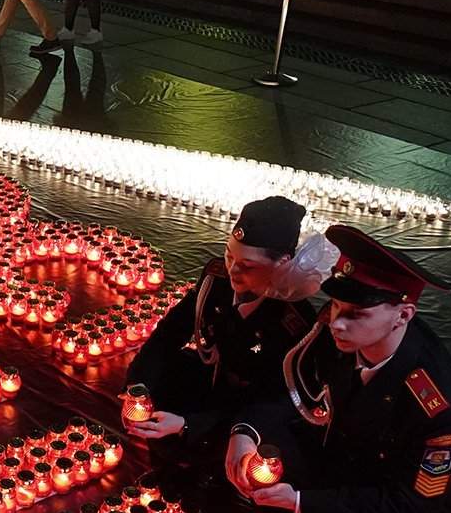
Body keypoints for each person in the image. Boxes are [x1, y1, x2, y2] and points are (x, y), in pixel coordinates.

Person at [222, 225, 451, 513]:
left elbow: (412, 503)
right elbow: (290, 387)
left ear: (403, 314)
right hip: (351, 454)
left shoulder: (439, 400)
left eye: (356, 313)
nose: (337, 322)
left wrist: (302, 503)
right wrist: (245, 434)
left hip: (412, 500)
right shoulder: (339, 331)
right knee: (259, 468)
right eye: (337, 308)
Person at [126, 197, 325, 461]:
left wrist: (188, 424)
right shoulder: (216, 281)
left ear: (283, 263)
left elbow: (271, 400)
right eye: (229, 254)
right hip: (212, 383)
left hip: (248, 411)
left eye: (248, 265)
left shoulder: (293, 321)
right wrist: (139, 387)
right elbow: (168, 335)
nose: (233, 270)